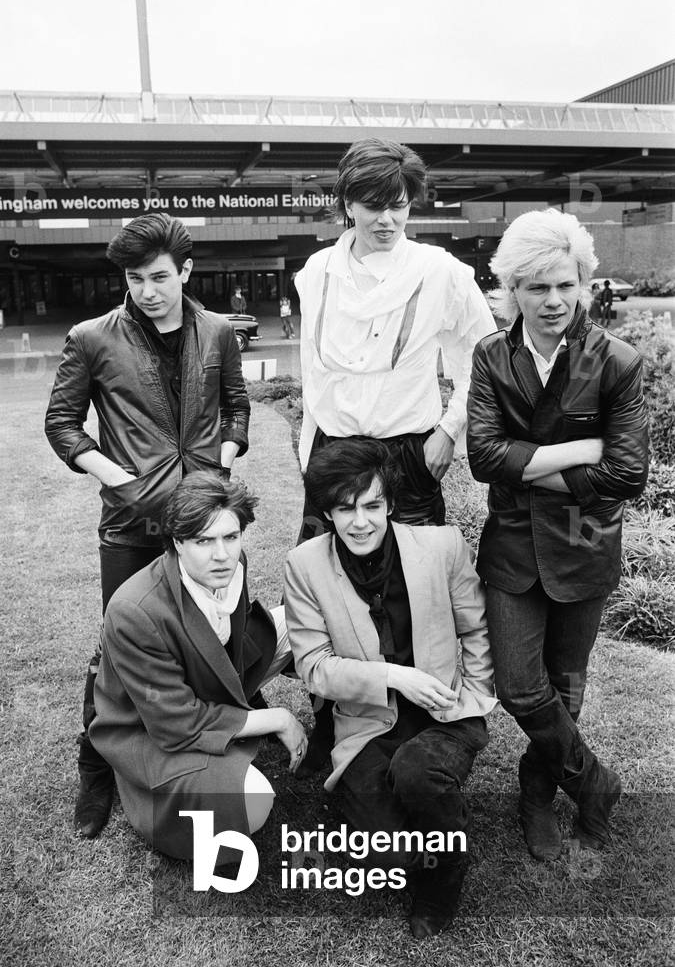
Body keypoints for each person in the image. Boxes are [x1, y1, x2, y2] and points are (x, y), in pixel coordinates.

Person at [45, 213, 251, 840]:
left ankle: (196, 745)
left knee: (210, 638)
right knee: (117, 647)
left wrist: (226, 455)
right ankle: (97, 768)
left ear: (186, 271)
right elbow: (62, 423)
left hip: (203, 517)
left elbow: (237, 406)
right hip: (131, 524)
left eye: (160, 277)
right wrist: (118, 477)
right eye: (135, 279)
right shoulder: (91, 337)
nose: (147, 290)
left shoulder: (218, 331)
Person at [466, 208, 648, 862]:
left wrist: (528, 464)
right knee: (517, 685)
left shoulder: (615, 363)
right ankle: (593, 782)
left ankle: (537, 795)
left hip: (583, 545)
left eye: (563, 285)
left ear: (583, 285)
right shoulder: (490, 357)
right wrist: (578, 454)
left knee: (565, 685)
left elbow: (625, 473)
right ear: (511, 288)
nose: (551, 300)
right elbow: (482, 458)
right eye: (535, 286)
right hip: (513, 550)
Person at [284, 438, 496, 938]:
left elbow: (476, 629)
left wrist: (472, 697)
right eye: (345, 508)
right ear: (328, 511)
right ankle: (402, 818)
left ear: (390, 505)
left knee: (417, 772)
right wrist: (393, 677)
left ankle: (446, 876)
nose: (360, 522)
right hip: (366, 724)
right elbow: (313, 666)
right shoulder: (304, 565)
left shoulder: (442, 546)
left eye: (372, 506)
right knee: (390, 852)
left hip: (444, 715)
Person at [89, 472, 306, 863]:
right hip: (154, 731)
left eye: (230, 536)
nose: (221, 554)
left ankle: (339, 740)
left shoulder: (232, 564)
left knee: (306, 621)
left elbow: (228, 641)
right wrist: (278, 718)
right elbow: (177, 724)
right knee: (253, 804)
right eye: (203, 540)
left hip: (213, 682)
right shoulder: (134, 611)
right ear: (177, 542)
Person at [294, 137, 496, 540]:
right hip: (334, 453)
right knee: (325, 584)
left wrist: (448, 432)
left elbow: (486, 358)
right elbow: (312, 370)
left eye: (398, 206)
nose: (386, 219)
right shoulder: (318, 272)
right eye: (373, 206)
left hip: (409, 455)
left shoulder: (439, 271)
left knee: (414, 585)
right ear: (348, 204)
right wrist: (310, 450)